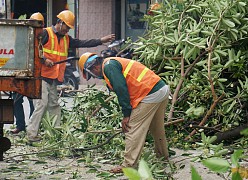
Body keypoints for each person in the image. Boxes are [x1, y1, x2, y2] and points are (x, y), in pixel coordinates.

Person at [26, 10, 115, 142]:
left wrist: (100, 40)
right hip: (41, 76)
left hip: (53, 78)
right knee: (41, 104)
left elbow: (83, 43)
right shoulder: (46, 33)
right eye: (66, 27)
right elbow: (33, 48)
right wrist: (44, 59)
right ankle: (31, 134)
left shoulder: (67, 39)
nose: (67, 30)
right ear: (60, 22)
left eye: (69, 28)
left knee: (54, 105)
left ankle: (55, 134)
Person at [78, 52, 170, 173]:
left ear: (94, 67)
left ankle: (128, 165)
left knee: (132, 129)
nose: (94, 77)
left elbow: (121, 89)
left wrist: (126, 115)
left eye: (92, 74)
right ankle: (163, 158)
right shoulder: (111, 62)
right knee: (157, 128)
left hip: (149, 93)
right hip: (161, 89)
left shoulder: (108, 67)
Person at [10, 12, 44, 134]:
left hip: (34, 76)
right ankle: (20, 125)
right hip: (20, 74)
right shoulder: (22, 37)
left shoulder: (42, 38)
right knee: (16, 101)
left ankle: (31, 126)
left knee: (33, 102)